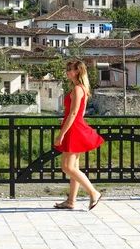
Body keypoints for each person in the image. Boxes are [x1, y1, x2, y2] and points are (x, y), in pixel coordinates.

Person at [53, 60, 105, 211]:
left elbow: (74, 113)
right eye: (67, 68)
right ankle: (71, 201)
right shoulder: (82, 88)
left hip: (73, 129)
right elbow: (80, 113)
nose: (67, 71)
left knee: (67, 167)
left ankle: (93, 192)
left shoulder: (77, 89)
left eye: (69, 69)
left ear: (77, 71)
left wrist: (61, 134)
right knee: (73, 167)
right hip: (75, 127)